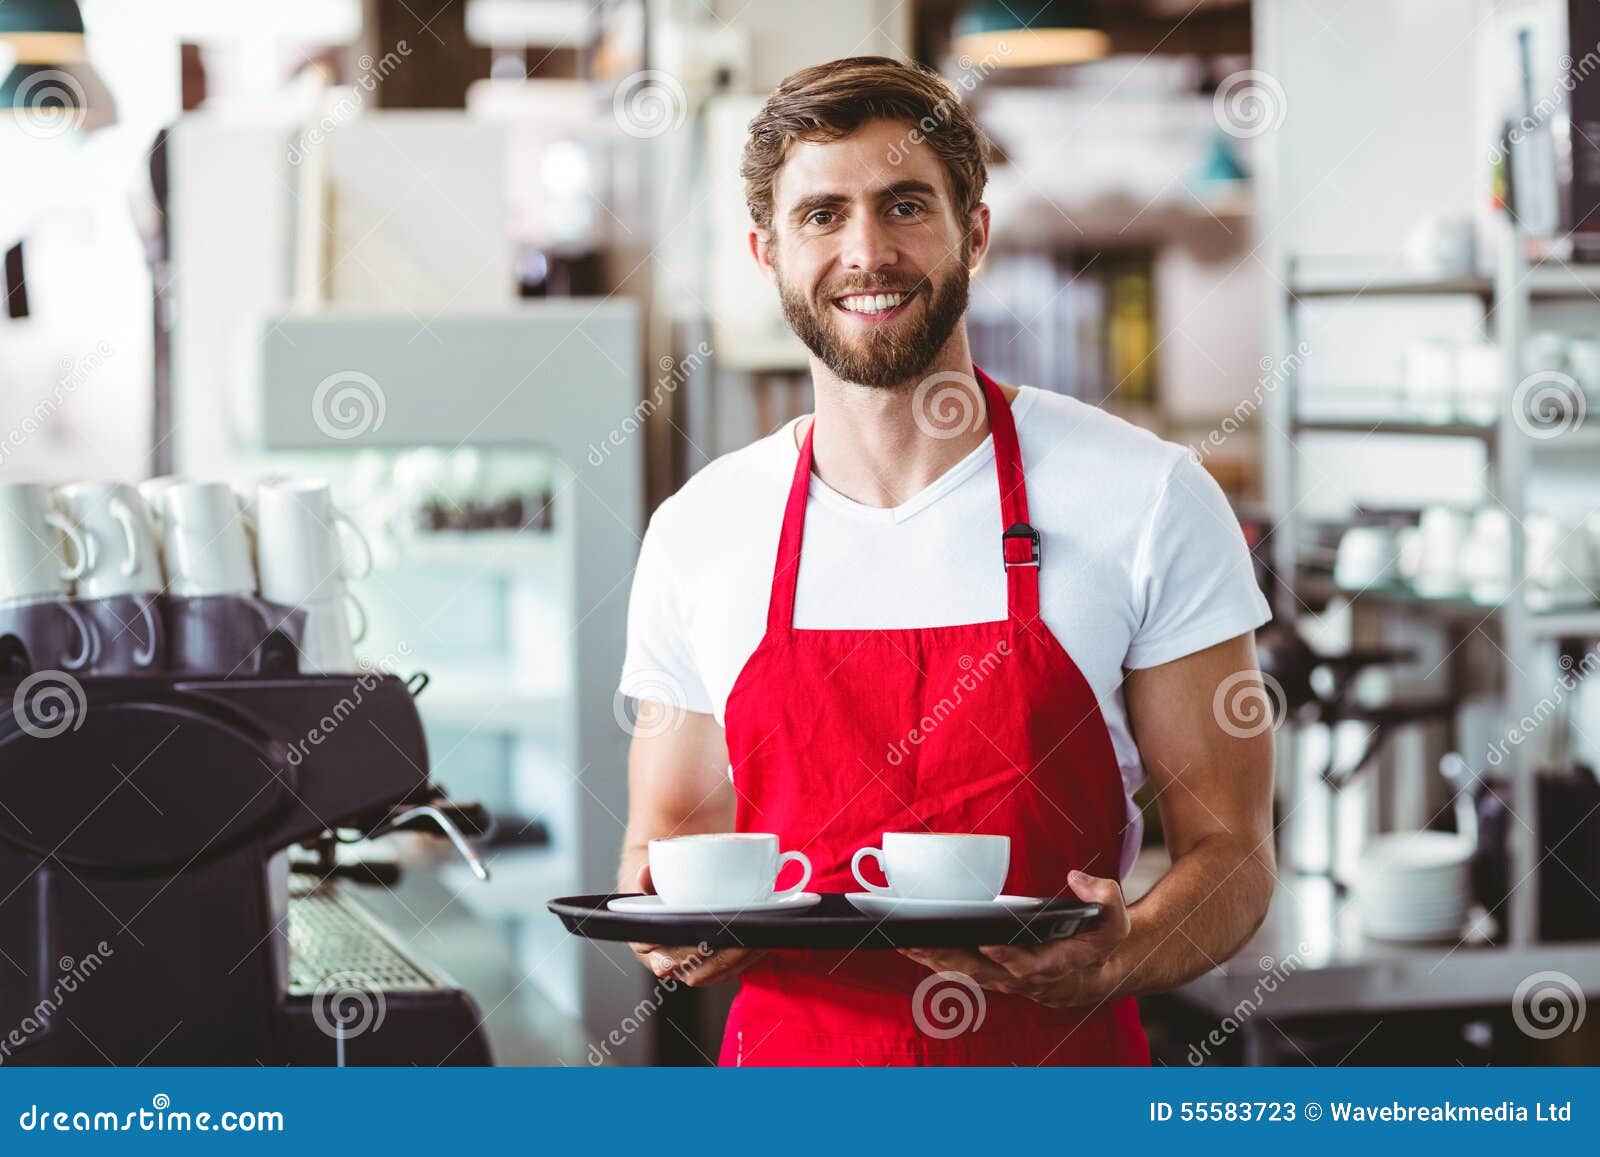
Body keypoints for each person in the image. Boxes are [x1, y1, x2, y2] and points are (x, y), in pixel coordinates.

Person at [617, 56, 1275, 1065]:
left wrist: (1120, 951)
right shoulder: (700, 528)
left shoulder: (1147, 497)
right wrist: (672, 930)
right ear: (766, 252)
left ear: (973, 230)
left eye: (904, 205)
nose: (866, 251)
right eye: (822, 215)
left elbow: (1232, 856)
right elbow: (661, 849)